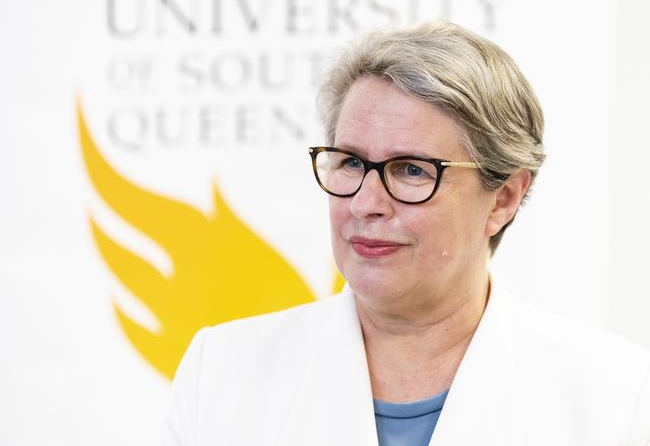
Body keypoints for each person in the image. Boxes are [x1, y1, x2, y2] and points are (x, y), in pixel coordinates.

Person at [163, 22, 650, 446]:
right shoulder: (223, 374)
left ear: (502, 198)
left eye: (412, 171)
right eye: (351, 162)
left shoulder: (612, 394)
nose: (366, 204)